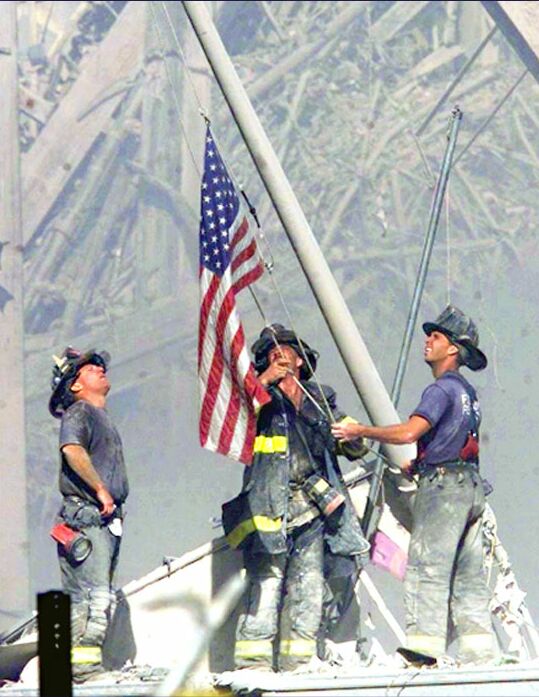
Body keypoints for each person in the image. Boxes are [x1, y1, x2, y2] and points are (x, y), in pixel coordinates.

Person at [331, 305, 496, 665]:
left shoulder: (440, 390)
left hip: (443, 490)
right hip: (470, 488)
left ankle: (424, 648)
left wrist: (359, 430)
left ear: (452, 349)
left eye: (436, 336)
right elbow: (453, 438)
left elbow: (408, 432)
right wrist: (420, 462)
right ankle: (480, 652)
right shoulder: (468, 393)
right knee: (467, 574)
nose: (427, 341)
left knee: (427, 566)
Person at [222, 324, 370, 672]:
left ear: (301, 360)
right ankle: (253, 663)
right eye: (270, 353)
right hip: (267, 506)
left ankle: (299, 661)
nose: (277, 353)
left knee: (308, 586)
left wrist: (352, 438)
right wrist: (265, 382)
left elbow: (355, 445)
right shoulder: (256, 398)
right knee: (266, 583)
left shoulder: (320, 399)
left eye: (285, 348)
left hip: (314, 508)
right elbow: (235, 419)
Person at [48, 347, 129, 681]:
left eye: (100, 366)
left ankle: (85, 667)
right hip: (87, 517)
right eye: (90, 369)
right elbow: (72, 450)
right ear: (75, 386)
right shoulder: (79, 411)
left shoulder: (100, 416)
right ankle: (82, 670)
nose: (99, 369)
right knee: (91, 599)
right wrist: (99, 488)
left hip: (104, 521)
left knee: (98, 596)